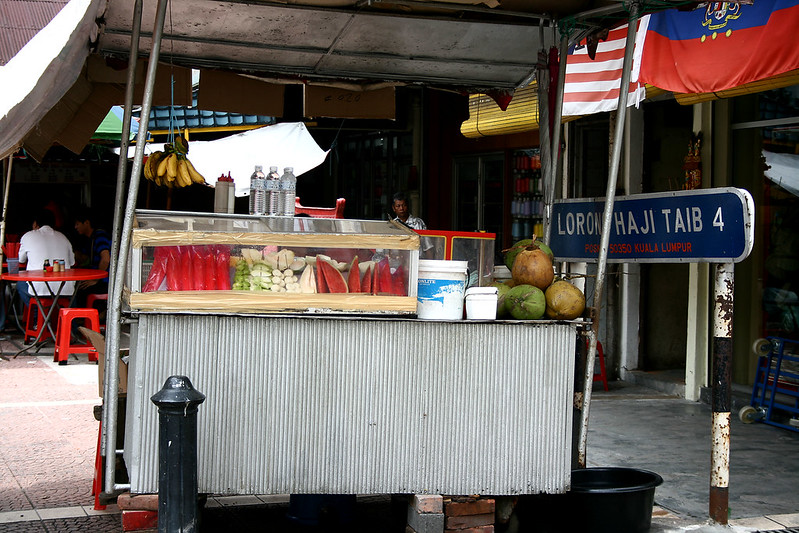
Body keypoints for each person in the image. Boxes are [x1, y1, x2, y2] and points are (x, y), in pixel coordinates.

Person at [17, 209, 76, 309]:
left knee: (20, 285)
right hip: (64, 290)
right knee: (72, 292)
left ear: (35, 223)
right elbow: (72, 262)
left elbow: (21, 260)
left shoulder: (28, 236)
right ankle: (70, 323)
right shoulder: (63, 237)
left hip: (38, 289)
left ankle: (37, 319)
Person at [73, 207, 111, 308]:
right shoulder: (90, 239)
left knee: (79, 289)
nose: (75, 227)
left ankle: (86, 317)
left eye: (77, 224)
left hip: (105, 281)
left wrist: (96, 280)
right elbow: (85, 259)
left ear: (86, 223)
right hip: (98, 279)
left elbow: (106, 259)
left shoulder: (100, 236)